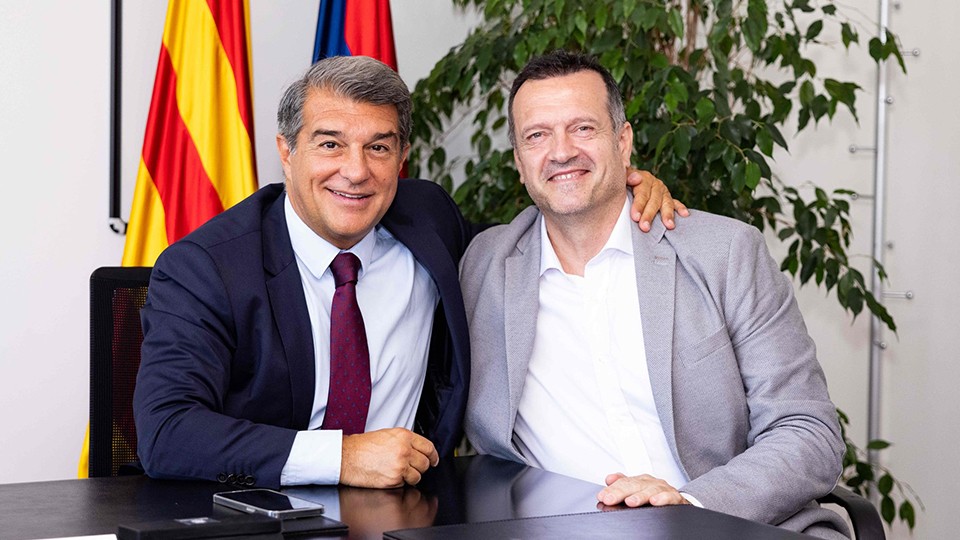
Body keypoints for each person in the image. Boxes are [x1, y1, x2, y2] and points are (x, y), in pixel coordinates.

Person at [133, 55, 683, 490]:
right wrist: (343, 457)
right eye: (330, 144)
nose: (356, 170)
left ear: (402, 158)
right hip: (258, 514)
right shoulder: (205, 269)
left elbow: (542, 237)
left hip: (414, 512)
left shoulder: (430, 222)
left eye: (379, 146)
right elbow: (167, 433)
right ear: (286, 150)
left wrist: (620, 190)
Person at [460, 50, 849, 539]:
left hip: (724, 525)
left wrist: (689, 504)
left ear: (623, 144)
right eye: (537, 135)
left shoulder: (724, 254)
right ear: (519, 163)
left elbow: (808, 432)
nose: (561, 152)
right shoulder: (481, 265)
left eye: (583, 129)